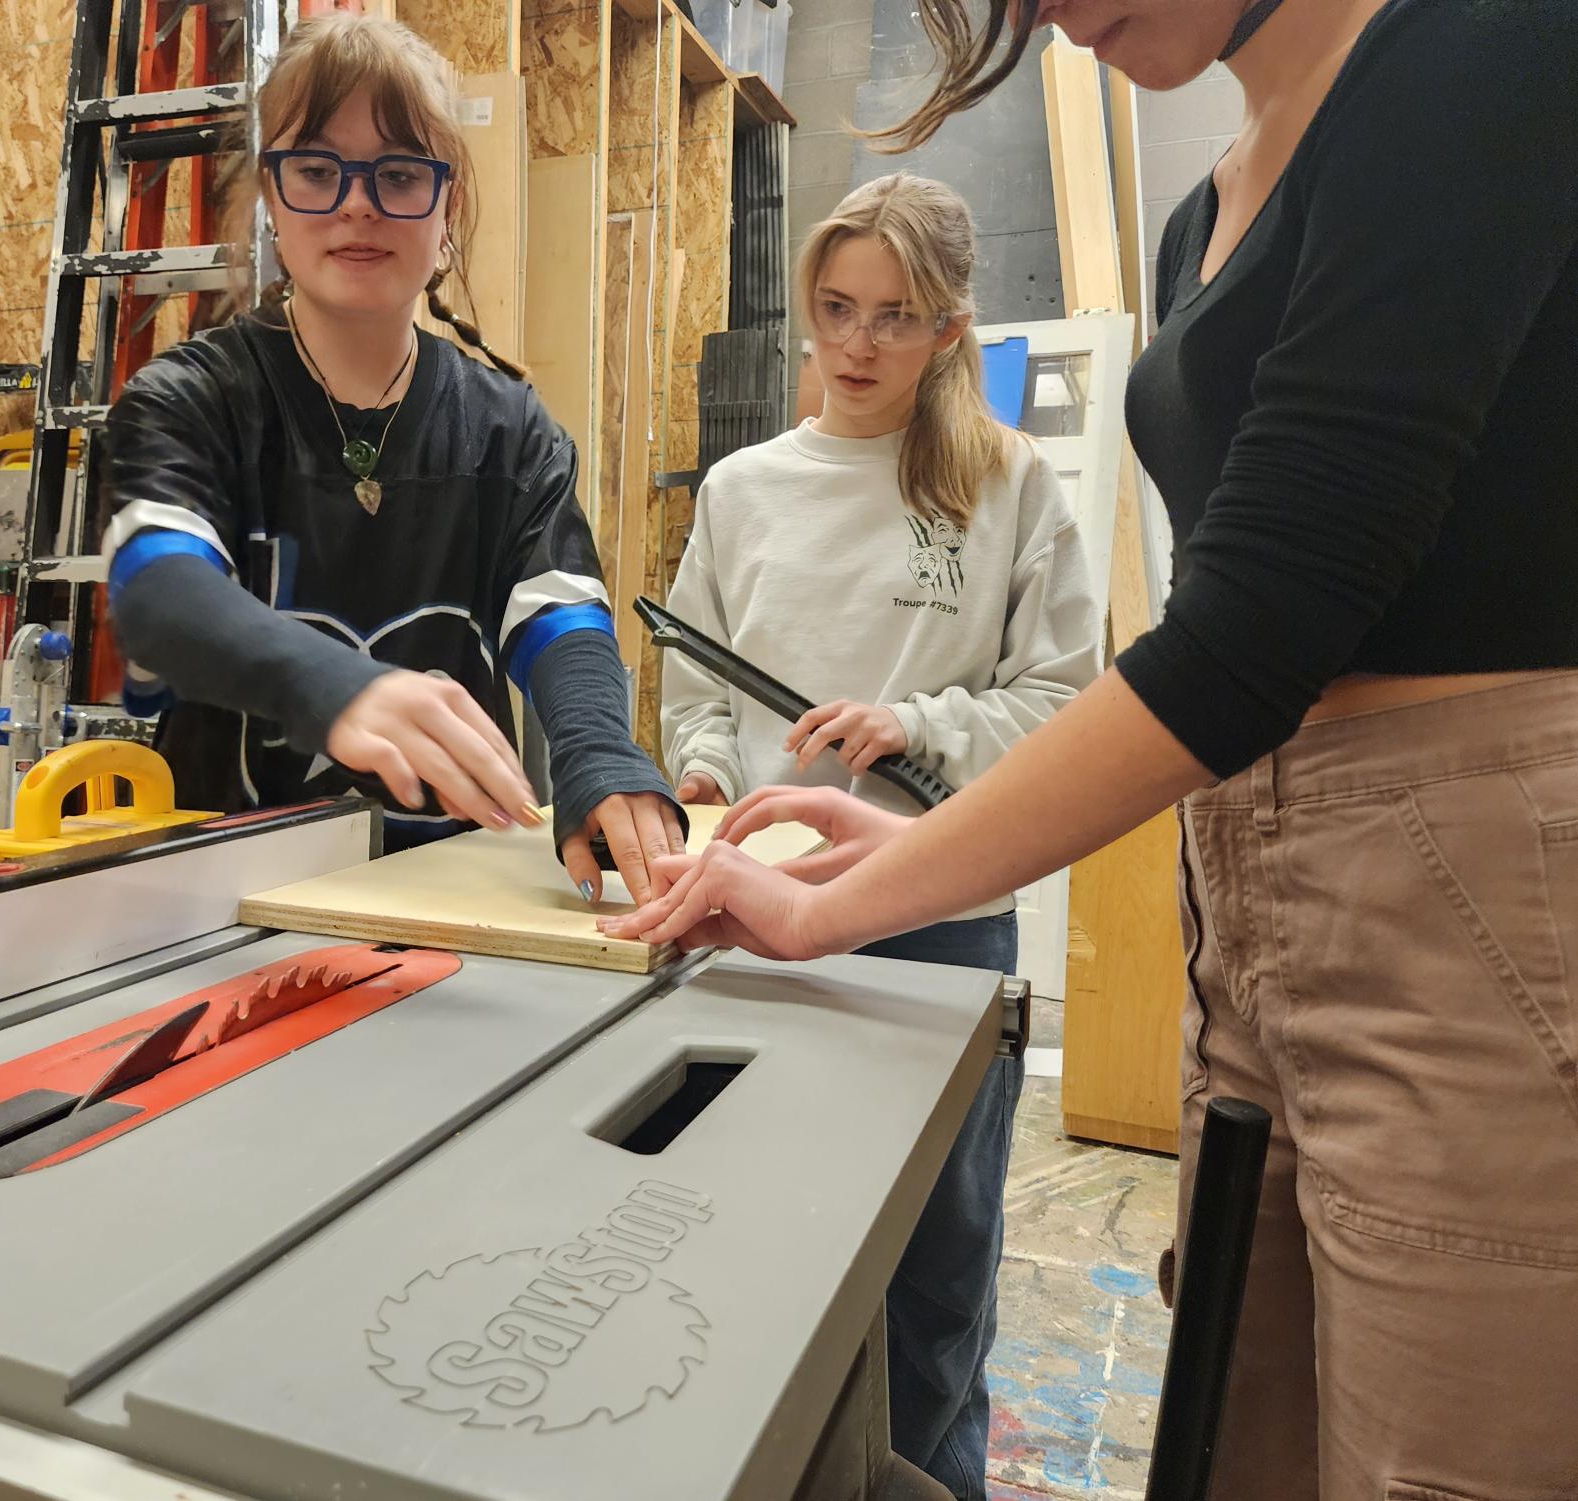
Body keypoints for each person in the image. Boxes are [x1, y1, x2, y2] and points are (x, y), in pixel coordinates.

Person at [605, 1, 1578, 1496]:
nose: (1048, 12)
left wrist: (859, 889)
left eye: (894, 313)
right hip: (1248, 907)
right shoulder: (1205, 206)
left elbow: (1249, 634)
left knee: (1444, 1444)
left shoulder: (1484, 45)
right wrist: (887, 842)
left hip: (1473, 897)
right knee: (1245, 1425)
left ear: (943, 332)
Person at [659, 172, 1098, 1496]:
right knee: (745, 1250)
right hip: (754, 923)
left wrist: (919, 725)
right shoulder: (743, 489)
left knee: (933, 1276)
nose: (854, 347)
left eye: (895, 318)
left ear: (953, 328)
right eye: (834, 310)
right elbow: (699, 688)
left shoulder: (1008, 488)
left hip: (940, 926)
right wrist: (694, 777)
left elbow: (1066, 715)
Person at [100, 13, 683, 897]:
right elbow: (160, 596)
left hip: (453, 902)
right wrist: (337, 687)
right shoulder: (188, 399)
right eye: (318, 170)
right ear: (270, 197)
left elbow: (560, 622)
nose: (357, 203)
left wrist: (600, 750)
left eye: (400, 173)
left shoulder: (510, 431)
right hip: (226, 909)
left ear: (446, 205)